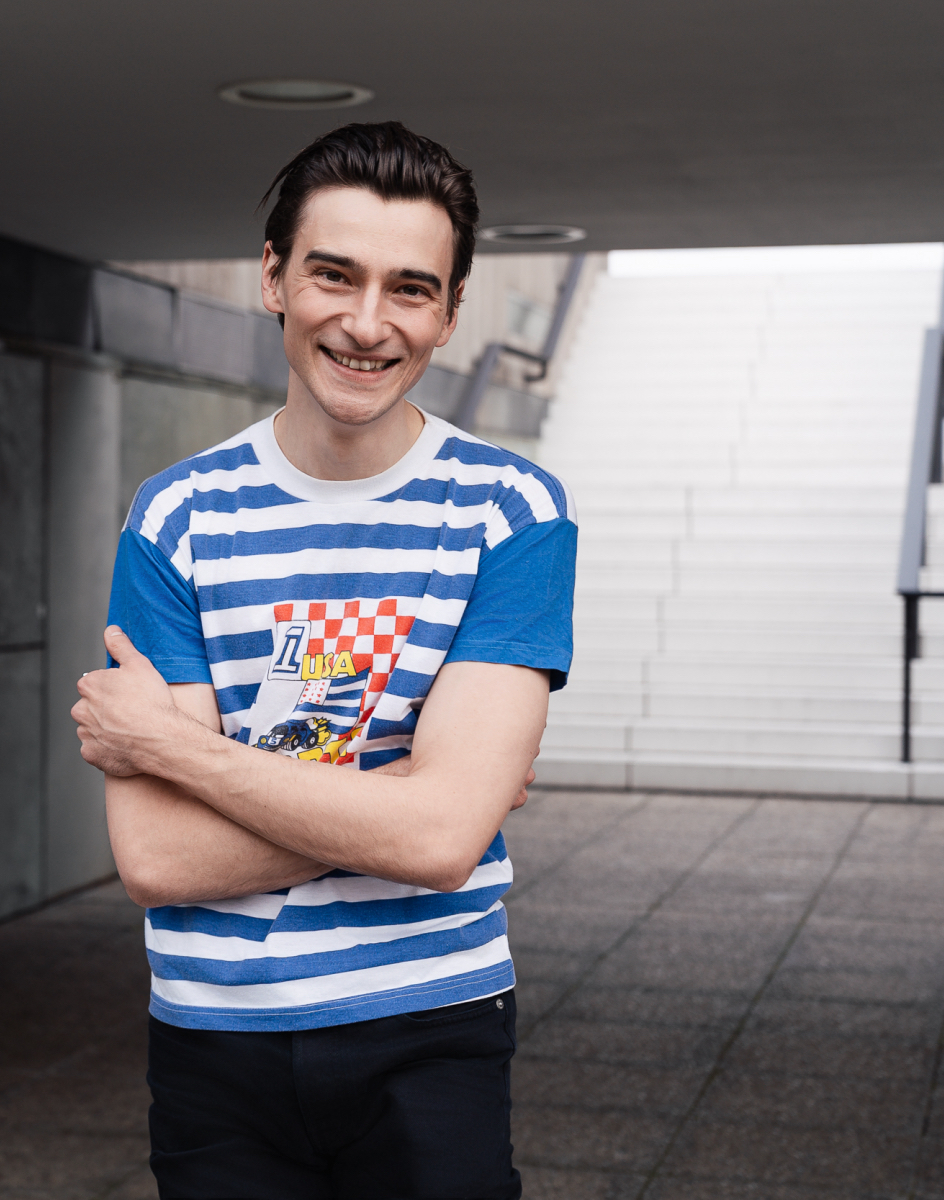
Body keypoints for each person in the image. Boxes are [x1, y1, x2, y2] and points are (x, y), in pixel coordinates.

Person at [71, 121, 577, 1199]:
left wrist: (175, 750)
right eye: (334, 275)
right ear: (274, 278)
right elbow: (157, 858)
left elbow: (441, 842)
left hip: (431, 1027)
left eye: (410, 289)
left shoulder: (510, 512)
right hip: (213, 1037)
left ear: (449, 313)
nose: (366, 322)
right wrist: (405, 795)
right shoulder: (177, 517)